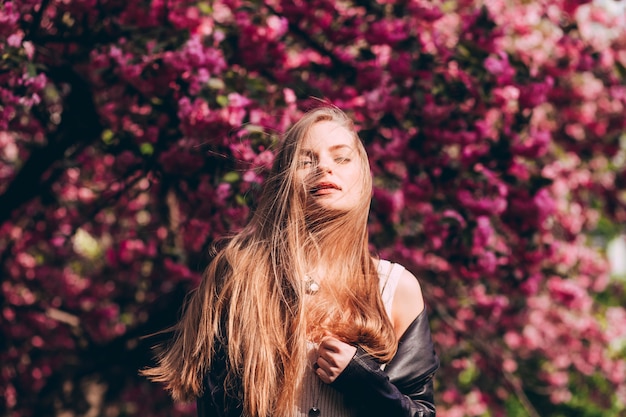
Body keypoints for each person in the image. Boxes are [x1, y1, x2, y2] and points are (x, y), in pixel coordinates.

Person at [142, 106, 439, 417]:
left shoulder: (396, 288)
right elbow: (212, 403)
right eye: (305, 160)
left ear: (363, 176)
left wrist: (364, 380)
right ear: (284, 178)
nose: (324, 168)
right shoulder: (237, 273)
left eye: (341, 157)